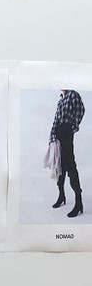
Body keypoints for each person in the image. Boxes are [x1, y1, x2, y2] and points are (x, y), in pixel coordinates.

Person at [50, 89, 85, 218]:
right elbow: (56, 119)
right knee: (59, 165)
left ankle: (79, 202)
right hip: (58, 132)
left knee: (70, 165)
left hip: (66, 130)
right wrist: (52, 135)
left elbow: (81, 110)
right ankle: (61, 195)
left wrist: (72, 127)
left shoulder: (73, 94)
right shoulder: (60, 100)